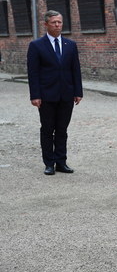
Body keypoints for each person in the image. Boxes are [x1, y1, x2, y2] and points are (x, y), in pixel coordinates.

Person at [27, 10, 83, 176]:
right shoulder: (36, 45)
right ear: (46, 24)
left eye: (59, 22)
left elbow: (76, 70)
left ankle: (61, 162)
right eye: (54, 22)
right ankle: (49, 163)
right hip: (46, 95)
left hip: (66, 94)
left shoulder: (70, 45)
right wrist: (35, 95)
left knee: (62, 130)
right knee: (47, 129)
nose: (58, 25)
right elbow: (33, 72)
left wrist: (78, 91)